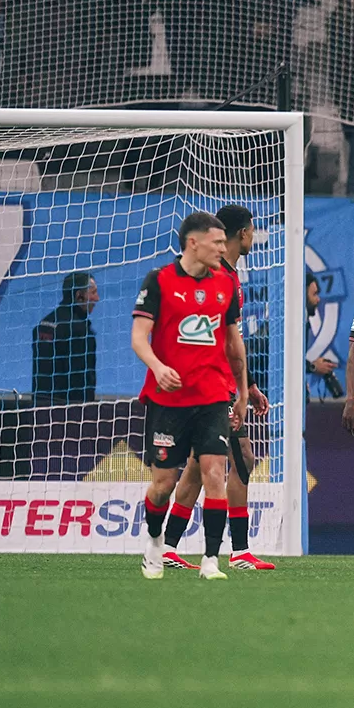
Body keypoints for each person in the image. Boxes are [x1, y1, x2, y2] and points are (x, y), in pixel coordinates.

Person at [133, 212, 249, 581]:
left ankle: (211, 560)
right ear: (193, 243)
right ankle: (154, 541)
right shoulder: (160, 281)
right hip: (168, 399)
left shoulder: (225, 285)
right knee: (164, 483)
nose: (222, 247)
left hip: (213, 395)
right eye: (216, 242)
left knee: (215, 471)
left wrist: (243, 392)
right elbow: (139, 336)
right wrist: (157, 366)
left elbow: (234, 345)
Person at [164, 205, 274, 571]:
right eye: (252, 231)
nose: (253, 237)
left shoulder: (225, 275)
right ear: (242, 234)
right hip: (214, 385)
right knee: (242, 458)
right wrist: (240, 391)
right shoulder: (221, 277)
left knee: (198, 466)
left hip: (218, 382)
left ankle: (167, 546)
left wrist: (251, 385)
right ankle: (240, 551)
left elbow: (231, 342)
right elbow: (226, 343)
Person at [33, 272, 99, 402]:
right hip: (70, 413)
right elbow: (82, 382)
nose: (97, 298)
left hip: (40, 409)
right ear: (79, 296)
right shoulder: (80, 331)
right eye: (93, 293)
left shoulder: (44, 324)